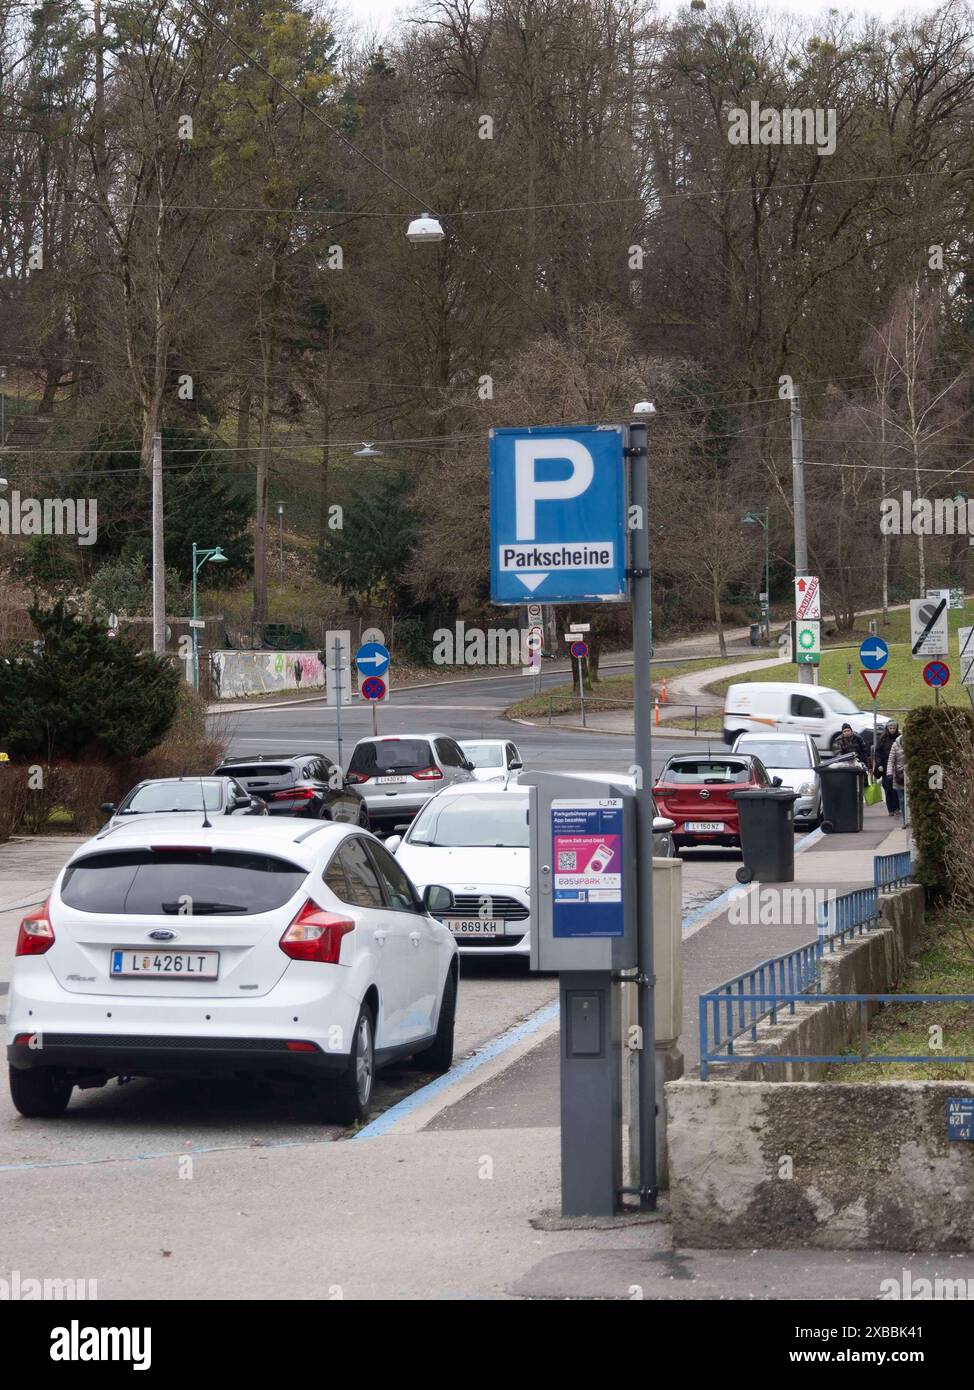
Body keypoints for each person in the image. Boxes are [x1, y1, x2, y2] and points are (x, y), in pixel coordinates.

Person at [872, 719, 900, 815]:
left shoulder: (899, 738)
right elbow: (878, 752)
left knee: (896, 788)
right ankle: (890, 809)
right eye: (890, 728)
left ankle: (897, 807)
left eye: (894, 728)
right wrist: (879, 764)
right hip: (885, 767)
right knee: (888, 788)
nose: (892, 730)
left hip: (896, 767)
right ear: (887, 728)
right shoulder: (883, 738)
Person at [890, 732, 907, 823]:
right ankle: (905, 821)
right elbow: (891, 760)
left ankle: (909, 820)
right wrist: (889, 773)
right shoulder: (895, 745)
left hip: (909, 775)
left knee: (908, 800)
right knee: (902, 800)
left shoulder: (913, 743)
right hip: (898, 776)